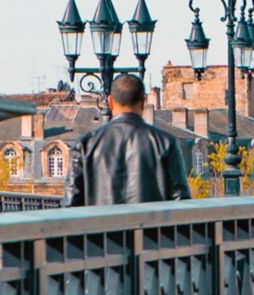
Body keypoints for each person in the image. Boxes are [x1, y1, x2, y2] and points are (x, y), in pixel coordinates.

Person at [69, 74, 190, 206]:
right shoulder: (166, 142)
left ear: (110, 102)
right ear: (143, 102)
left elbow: (71, 202)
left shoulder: (85, 144)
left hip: (103, 225)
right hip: (151, 225)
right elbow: (180, 200)